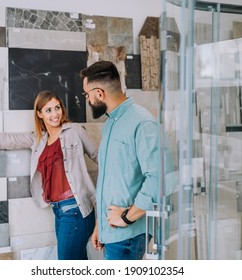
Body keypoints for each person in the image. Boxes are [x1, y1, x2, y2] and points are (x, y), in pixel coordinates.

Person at [0, 90, 98, 260]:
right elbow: (6, 139)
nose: (55, 114)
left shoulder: (75, 130)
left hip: (77, 210)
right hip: (59, 211)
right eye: (48, 110)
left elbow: (100, 157)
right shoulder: (39, 139)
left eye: (57, 108)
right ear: (39, 114)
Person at [79, 61, 158, 260]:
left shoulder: (142, 122)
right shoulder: (110, 124)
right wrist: (100, 226)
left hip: (129, 234)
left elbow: (157, 178)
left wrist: (126, 217)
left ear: (99, 93)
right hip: (112, 231)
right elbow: (110, 181)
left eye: (87, 94)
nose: (87, 99)